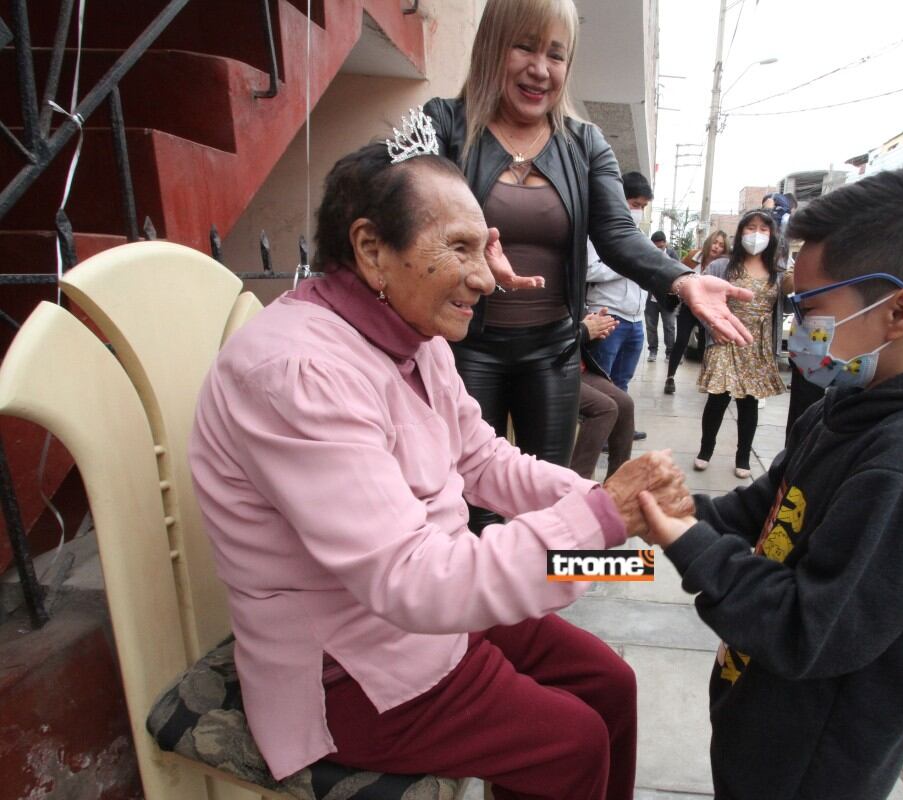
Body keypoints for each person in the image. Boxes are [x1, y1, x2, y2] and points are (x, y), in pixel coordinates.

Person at [189, 126, 696, 800]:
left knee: (611, 682)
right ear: (372, 249)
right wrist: (602, 517)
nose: (487, 278)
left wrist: (618, 523)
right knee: (572, 744)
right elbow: (416, 579)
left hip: (433, 621)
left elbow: (483, 460)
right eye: (460, 248)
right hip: (352, 672)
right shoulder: (299, 373)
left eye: (484, 246)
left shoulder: (411, 334)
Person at [635, 161, 903, 800]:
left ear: (902, 313)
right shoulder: (851, 405)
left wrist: (687, 544)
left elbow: (810, 628)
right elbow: (762, 508)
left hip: (811, 767)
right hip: (761, 724)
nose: (795, 328)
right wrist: (634, 520)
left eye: (812, 309)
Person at [422, 0, 752, 489]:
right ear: (493, 46)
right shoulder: (445, 124)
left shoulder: (585, 142)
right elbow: (413, 224)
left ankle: (552, 567)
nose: (540, 70)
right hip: (462, 349)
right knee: (470, 494)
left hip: (552, 351)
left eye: (556, 55)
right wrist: (472, 255)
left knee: (546, 491)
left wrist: (680, 279)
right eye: (524, 47)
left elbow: (618, 235)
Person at [693, 210, 791, 480]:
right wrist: (712, 329)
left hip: (757, 345)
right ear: (740, 232)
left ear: (772, 235)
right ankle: (705, 450)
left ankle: (743, 456)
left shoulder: (779, 271)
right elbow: (701, 304)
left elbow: (789, 304)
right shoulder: (722, 266)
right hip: (725, 338)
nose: (756, 233)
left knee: (749, 403)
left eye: (762, 228)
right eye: (750, 228)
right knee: (718, 398)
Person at [585, 172, 654, 392]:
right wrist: (629, 264)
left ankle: (621, 427)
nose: (638, 211)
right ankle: (602, 425)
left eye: (643, 207)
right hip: (608, 316)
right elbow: (589, 270)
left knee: (622, 382)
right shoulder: (597, 232)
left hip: (635, 320)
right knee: (601, 383)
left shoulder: (639, 236)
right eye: (635, 204)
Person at [571, 310, 637, 481]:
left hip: (575, 368)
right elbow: (546, 338)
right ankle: (576, 486)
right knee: (605, 408)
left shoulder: (570, 291)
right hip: (550, 372)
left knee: (625, 403)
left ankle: (618, 483)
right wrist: (584, 330)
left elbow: (577, 337)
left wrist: (594, 329)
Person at [665, 230, 727, 394]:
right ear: (708, 243)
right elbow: (677, 275)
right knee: (682, 340)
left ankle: (707, 380)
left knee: (707, 343)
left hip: (709, 308)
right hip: (689, 306)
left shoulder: (723, 264)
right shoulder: (693, 257)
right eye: (715, 242)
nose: (717, 247)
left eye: (721, 245)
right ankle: (670, 377)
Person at [645, 230, 679, 362]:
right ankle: (652, 351)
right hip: (651, 299)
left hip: (668, 299)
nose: (658, 250)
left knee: (669, 326)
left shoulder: (672, 256)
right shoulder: (648, 255)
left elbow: (678, 273)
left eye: (661, 247)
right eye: (655, 247)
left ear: (665, 244)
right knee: (651, 326)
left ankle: (670, 352)